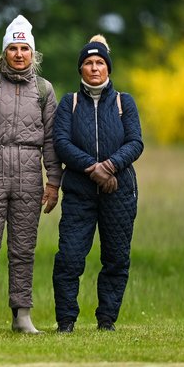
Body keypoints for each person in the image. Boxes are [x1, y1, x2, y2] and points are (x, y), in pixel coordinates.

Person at [0, 15, 62, 334]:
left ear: (34, 54)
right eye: (13, 48)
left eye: (24, 48)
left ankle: (22, 317)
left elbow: (51, 139)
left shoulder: (44, 90)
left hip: (30, 176)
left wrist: (54, 181)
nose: (19, 54)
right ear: (4, 52)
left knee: (23, 249)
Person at [51, 34, 143, 333]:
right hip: (79, 193)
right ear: (80, 69)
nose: (94, 68)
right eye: (88, 63)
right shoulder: (70, 102)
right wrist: (93, 169)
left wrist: (111, 166)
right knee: (69, 258)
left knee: (116, 258)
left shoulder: (123, 102)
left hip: (119, 191)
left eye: (100, 63)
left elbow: (135, 142)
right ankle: (66, 321)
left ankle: (106, 320)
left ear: (108, 68)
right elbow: (61, 143)